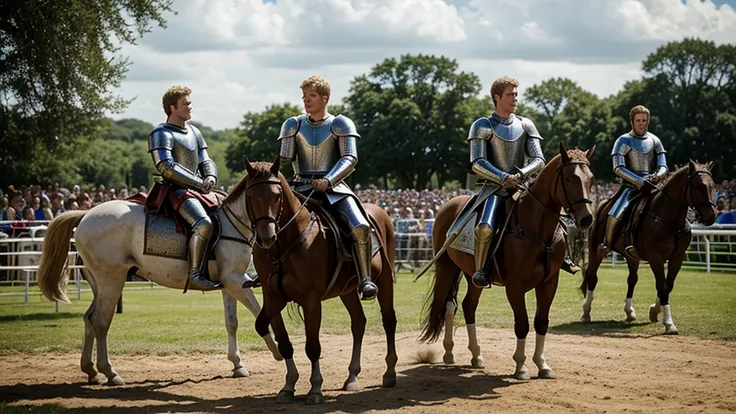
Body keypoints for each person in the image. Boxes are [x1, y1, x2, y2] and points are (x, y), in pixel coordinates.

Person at [244, 75, 377, 300]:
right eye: (304, 96)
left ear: (325, 98)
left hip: (335, 189)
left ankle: (365, 279)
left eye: (312, 96)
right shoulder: (293, 124)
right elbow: (285, 158)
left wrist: (329, 180)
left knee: (361, 227)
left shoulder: (341, 124)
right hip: (301, 187)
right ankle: (259, 271)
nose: (306, 100)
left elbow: (350, 158)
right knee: (267, 219)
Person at [464, 76, 579, 289]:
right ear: (497, 97)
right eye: (510, 95)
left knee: (558, 221)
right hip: (492, 189)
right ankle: (481, 270)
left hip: (522, 185)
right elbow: (477, 162)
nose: (515, 98)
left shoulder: (526, 124)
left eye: (516, 94)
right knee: (485, 227)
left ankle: (563, 257)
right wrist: (502, 177)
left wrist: (520, 175)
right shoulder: (482, 125)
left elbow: (539, 159)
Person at [148, 85, 222, 290]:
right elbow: (167, 167)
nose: (190, 107)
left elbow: (205, 159)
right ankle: (196, 274)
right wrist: (199, 183)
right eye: (186, 103)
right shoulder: (160, 133)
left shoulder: (194, 132)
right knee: (203, 224)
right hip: (176, 191)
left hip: (200, 189)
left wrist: (211, 177)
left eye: (190, 103)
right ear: (172, 108)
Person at [599, 105, 668, 259]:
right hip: (630, 187)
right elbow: (618, 167)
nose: (641, 123)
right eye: (638, 120)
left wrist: (656, 176)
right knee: (615, 213)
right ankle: (607, 244)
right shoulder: (623, 140)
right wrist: (639, 181)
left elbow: (663, 165)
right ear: (632, 121)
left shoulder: (655, 140)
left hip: (653, 185)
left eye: (644, 120)